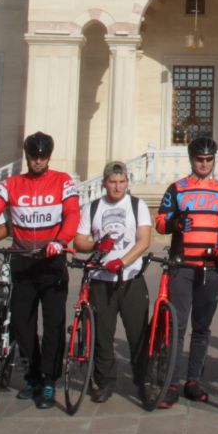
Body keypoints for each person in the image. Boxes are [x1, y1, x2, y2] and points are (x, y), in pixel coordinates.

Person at [0, 130, 79, 409]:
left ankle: (49, 380)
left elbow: (72, 214)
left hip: (51, 259)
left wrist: (61, 241)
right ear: (27, 157)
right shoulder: (11, 183)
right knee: (23, 325)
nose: (38, 161)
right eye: (34, 156)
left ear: (49, 157)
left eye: (42, 157)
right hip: (22, 259)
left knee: (53, 323)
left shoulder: (62, 181)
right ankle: (33, 377)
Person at [153, 133, 218, 404]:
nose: (204, 164)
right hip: (183, 265)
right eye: (200, 159)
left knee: (202, 327)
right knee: (177, 325)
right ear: (191, 160)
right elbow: (160, 222)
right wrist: (175, 222)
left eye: (209, 160)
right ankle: (171, 383)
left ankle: (193, 380)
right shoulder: (176, 188)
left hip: (210, 266)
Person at [72, 161, 155, 404]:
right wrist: (96, 245)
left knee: (138, 334)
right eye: (112, 182)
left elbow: (144, 240)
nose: (117, 187)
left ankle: (143, 381)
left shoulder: (137, 206)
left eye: (121, 182)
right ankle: (105, 381)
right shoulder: (93, 207)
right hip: (101, 280)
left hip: (130, 280)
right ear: (104, 183)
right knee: (102, 335)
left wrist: (122, 261)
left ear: (127, 182)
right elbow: (79, 241)